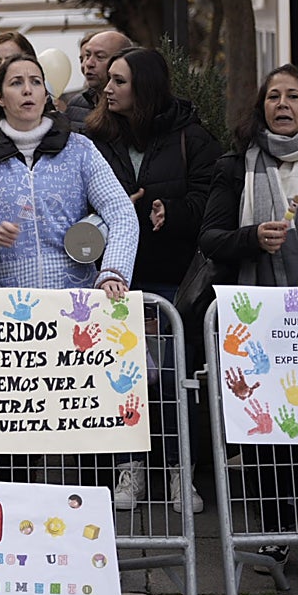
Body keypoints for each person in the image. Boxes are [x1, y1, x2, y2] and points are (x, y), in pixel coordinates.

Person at [0, 54, 138, 483]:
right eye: (16, 83)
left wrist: (113, 273)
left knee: (87, 436)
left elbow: (122, 214)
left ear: (47, 92)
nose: (28, 89)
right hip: (9, 330)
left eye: (36, 81)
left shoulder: (80, 148)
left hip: (76, 320)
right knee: (17, 445)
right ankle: (21, 538)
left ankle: (93, 532)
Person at [199, 63, 298, 584]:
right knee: (265, 431)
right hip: (258, 320)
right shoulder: (236, 166)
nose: (282, 105)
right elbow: (211, 238)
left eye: (293, 96)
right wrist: (253, 238)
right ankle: (270, 532)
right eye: (273, 96)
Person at [86, 47, 222, 512]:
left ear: (144, 87)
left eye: (119, 81)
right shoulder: (95, 138)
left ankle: (180, 471)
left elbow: (213, 201)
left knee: (170, 381)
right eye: (109, 80)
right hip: (114, 279)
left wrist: (172, 210)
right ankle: (131, 467)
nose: (107, 88)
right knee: (123, 380)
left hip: (170, 281)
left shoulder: (193, 138)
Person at [65, 30, 133, 130]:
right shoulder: (76, 105)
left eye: (100, 57)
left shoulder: (131, 107)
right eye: (87, 55)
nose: (88, 63)